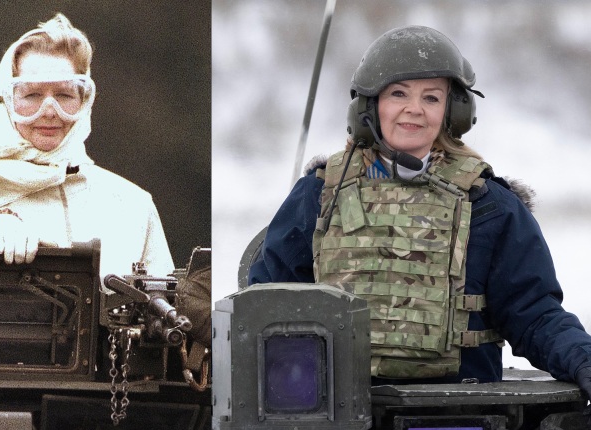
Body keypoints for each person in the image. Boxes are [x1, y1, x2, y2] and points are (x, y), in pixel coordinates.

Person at [248, 25, 591, 394]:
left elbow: (536, 315)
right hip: (342, 411)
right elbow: (268, 308)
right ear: (369, 106)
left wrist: (583, 360)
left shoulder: (489, 205)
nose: (414, 109)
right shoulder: (319, 195)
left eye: (431, 98)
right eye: (398, 93)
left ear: (453, 112)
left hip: (459, 408)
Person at [0, 13, 174, 279]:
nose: (49, 111)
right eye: (32, 95)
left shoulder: (133, 206)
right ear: (7, 101)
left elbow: (168, 308)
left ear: (84, 101)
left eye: (64, 95)